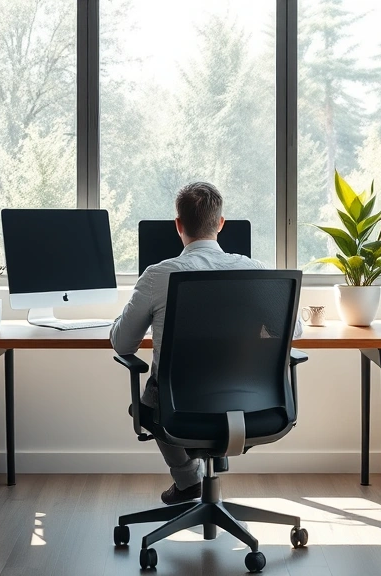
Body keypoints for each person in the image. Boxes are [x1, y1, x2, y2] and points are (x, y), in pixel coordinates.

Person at [110, 181, 301, 505]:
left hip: (178, 410)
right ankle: (193, 480)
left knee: (151, 398)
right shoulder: (255, 271)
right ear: (221, 223)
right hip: (253, 406)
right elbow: (293, 330)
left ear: (178, 225)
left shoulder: (157, 276)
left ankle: (187, 479)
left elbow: (123, 344)